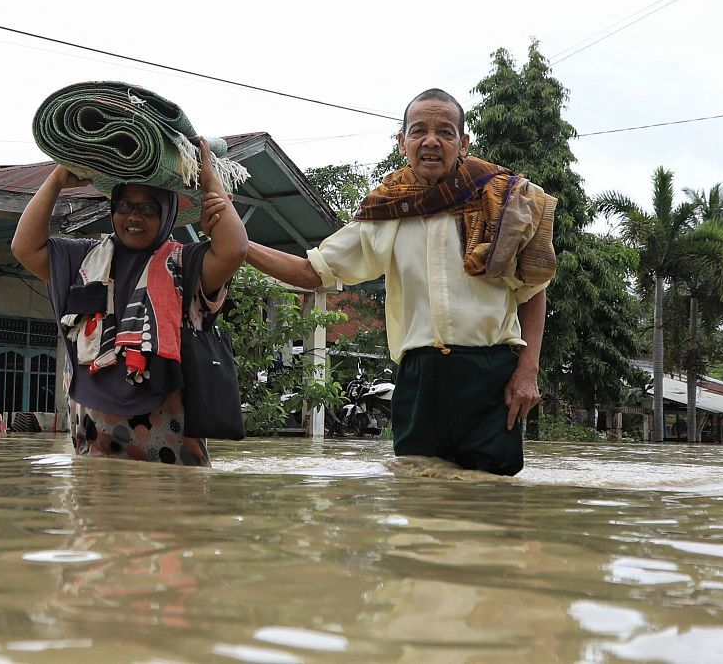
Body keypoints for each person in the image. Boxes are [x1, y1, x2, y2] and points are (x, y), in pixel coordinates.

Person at [231, 89, 556, 476]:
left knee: (492, 496)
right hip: (420, 376)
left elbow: (534, 290)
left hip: (492, 375)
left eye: (445, 132)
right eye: (419, 131)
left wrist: (527, 371)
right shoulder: (387, 211)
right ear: (403, 142)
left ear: (463, 143)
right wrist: (240, 246)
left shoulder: (502, 204)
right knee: (415, 492)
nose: (431, 140)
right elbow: (310, 272)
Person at [12, 138, 247, 466]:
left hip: (170, 450)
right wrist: (56, 180)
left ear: (167, 213)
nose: (134, 216)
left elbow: (234, 250)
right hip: (93, 444)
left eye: (149, 207)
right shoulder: (85, 258)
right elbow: (25, 247)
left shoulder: (186, 263)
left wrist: (209, 181)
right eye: (125, 205)